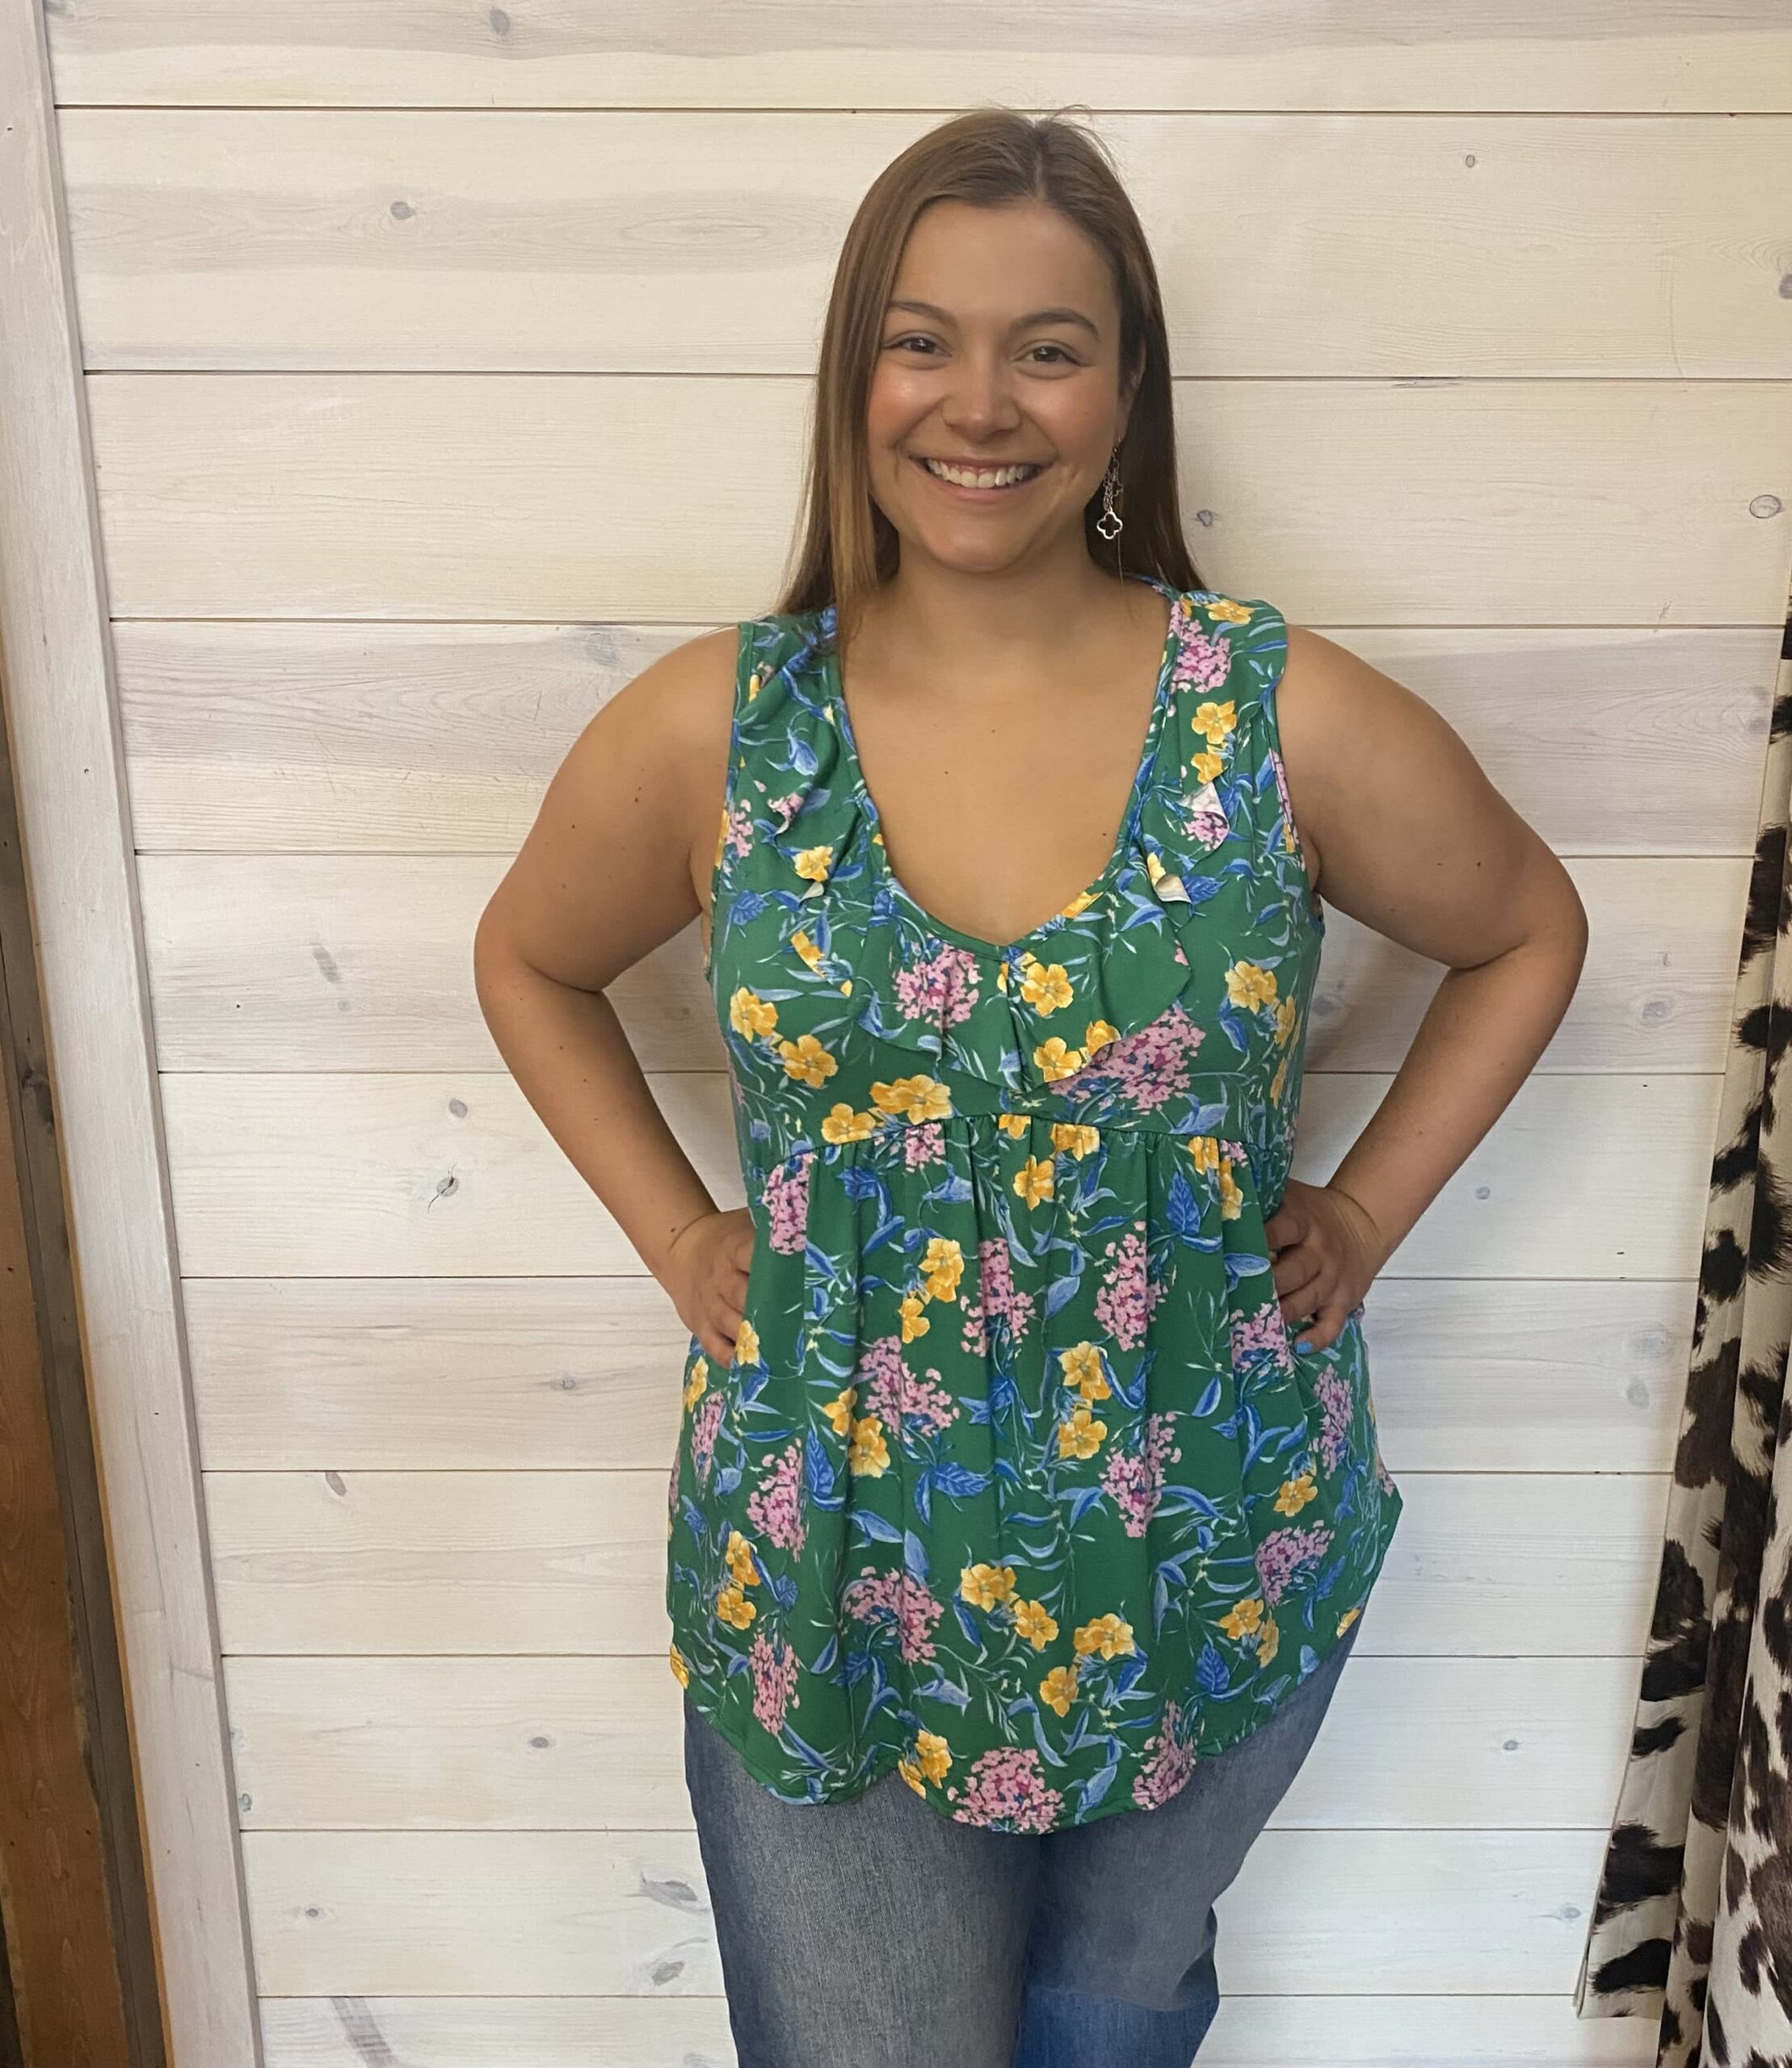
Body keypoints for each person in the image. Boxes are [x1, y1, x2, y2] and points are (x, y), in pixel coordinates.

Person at [475, 104, 1588, 2068]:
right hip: (840, 1574)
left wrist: (1361, 1212)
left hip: (1206, 1536)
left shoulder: (1277, 716)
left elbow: (1521, 927)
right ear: (855, 372)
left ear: (1125, 390)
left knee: (1106, 2024)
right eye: (920, 340)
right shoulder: (716, 731)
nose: (977, 402)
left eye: (1045, 347)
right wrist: (676, 1232)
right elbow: (529, 959)